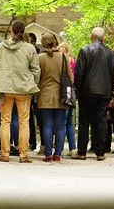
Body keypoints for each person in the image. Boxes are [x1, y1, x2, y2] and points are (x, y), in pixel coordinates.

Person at [0, 20, 40, 163]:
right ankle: (23, 154)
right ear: (23, 32)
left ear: (11, 30)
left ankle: (4, 153)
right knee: (24, 122)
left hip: (5, 88)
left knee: (5, 121)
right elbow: (36, 69)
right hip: (24, 88)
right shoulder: (29, 48)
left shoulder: (0, 47)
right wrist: (33, 84)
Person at [72, 27, 114, 161]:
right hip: (105, 92)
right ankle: (100, 152)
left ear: (92, 36)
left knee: (84, 121)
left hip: (87, 91)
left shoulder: (85, 50)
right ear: (103, 38)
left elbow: (79, 72)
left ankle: (82, 152)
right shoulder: (110, 53)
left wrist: (77, 89)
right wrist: (112, 92)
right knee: (101, 121)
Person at [37, 34, 72, 162]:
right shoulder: (63, 56)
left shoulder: (40, 57)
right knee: (60, 126)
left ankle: (48, 154)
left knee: (47, 125)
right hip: (61, 94)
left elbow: (36, 77)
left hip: (45, 94)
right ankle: (58, 154)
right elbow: (70, 76)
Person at [58, 42, 77, 157]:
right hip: (71, 91)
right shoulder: (73, 60)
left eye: (61, 47)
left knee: (63, 121)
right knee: (69, 122)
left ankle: (60, 149)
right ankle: (72, 148)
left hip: (64, 91)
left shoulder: (63, 60)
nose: (59, 48)